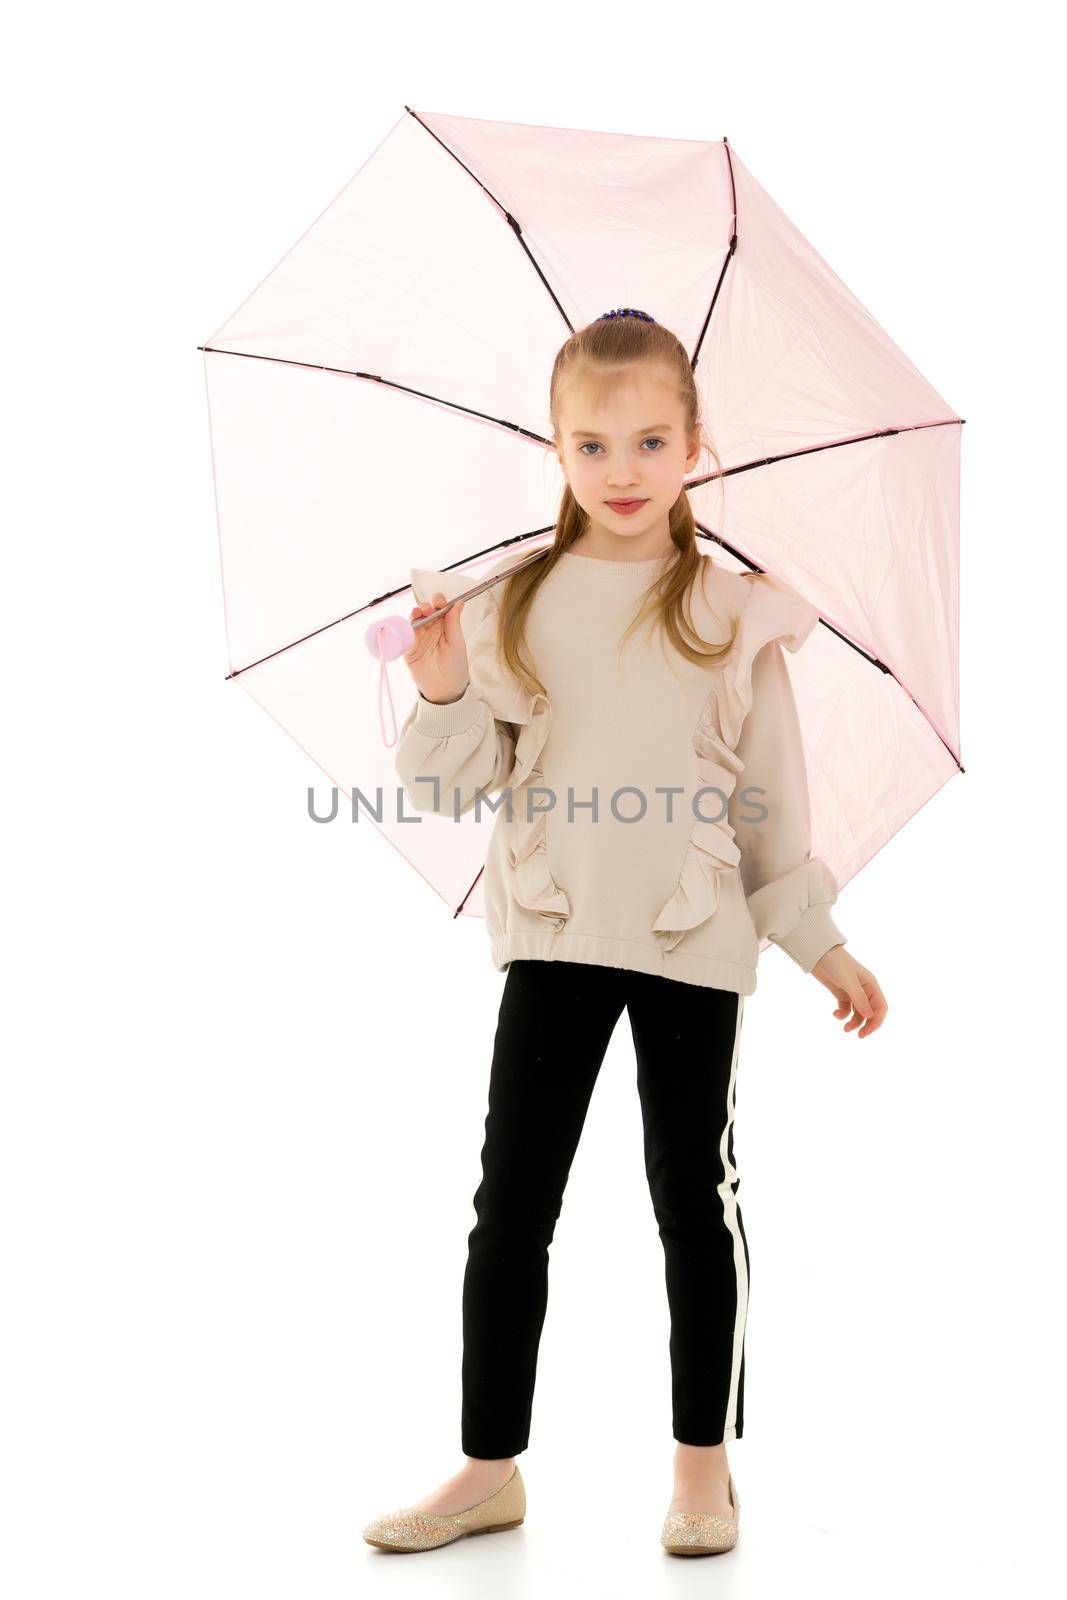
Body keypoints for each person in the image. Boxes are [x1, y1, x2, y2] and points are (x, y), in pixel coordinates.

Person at [362, 308, 887, 1557]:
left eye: (650, 440)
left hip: (690, 942)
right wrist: (439, 693)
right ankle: (488, 1465)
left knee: (690, 1198)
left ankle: (701, 1465)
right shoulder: (511, 610)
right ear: (555, 451)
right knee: (511, 1205)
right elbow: (445, 790)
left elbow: (768, 799)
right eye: (591, 446)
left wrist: (817, 942)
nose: (623, 470)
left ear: (694, 446)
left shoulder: (725, 610)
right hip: (551, 937)